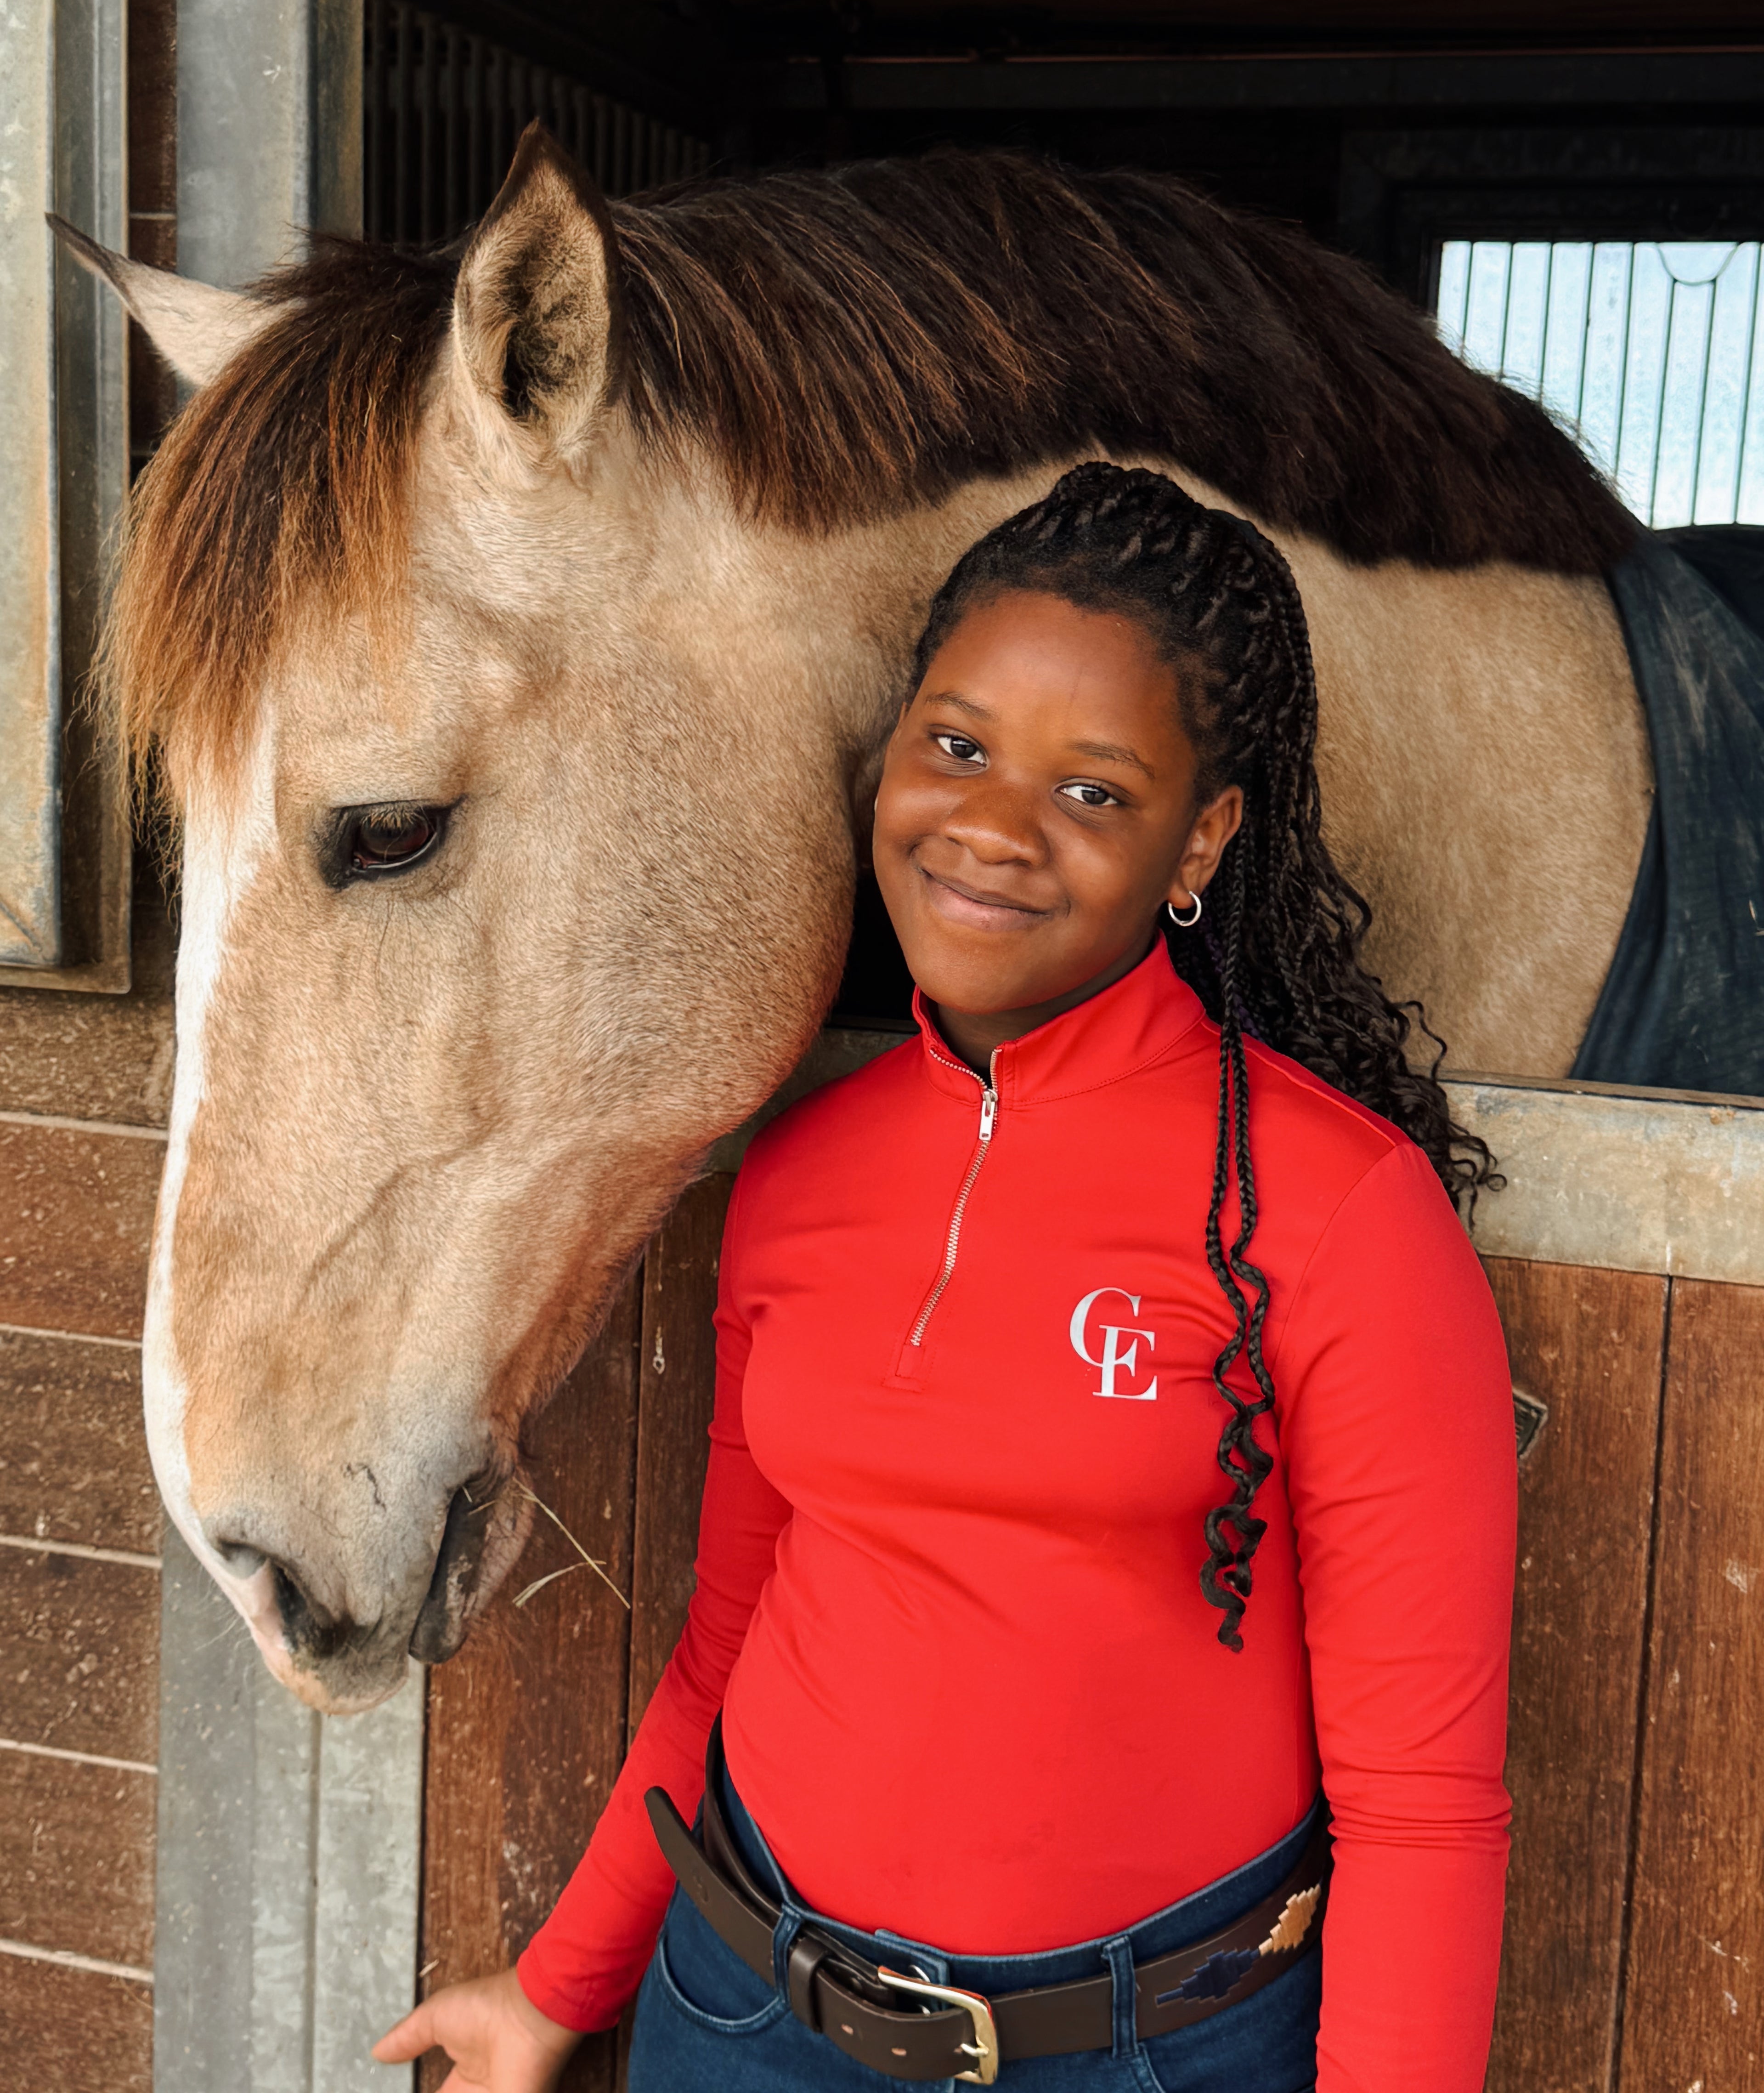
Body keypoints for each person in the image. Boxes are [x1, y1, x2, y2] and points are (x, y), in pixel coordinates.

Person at [376, 463, 1517, 2093]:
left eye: (1096, 791)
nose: (991, 827)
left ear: (1202, 839)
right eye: (960, 745)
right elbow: (724, 1645)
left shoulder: (1341, 1214)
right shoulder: (795, 1172)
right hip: (747, 2013)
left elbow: (1422, 1804)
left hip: (1145, 2052)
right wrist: (561, 1988)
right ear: (892, 748)